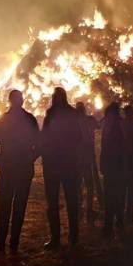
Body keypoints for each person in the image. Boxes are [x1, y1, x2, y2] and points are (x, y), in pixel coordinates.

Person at [0, 90, 39, 253]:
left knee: (4, 205)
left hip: (8, 169)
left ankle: (1, 243)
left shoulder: (3, 120)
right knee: (19, 206)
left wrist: (1, 162)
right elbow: (39, 144)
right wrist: (30, 158)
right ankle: (13, 243)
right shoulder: (29, 119)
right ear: (20, 101)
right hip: (22, 169)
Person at [41, 88, 82, 249]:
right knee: (71, 199)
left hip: (53, 164)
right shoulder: (71, 113)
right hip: (68, 163)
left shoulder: (50, 114)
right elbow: (78, 136)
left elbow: (44, 137)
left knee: (53, 201)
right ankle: (73, 236)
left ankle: (56, 238)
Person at [100, 102, 126, 237]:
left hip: (116, 167)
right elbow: (104, 148)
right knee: (111, 195)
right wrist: (102, 163)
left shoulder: (118, 128)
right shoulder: (109, 127)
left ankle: (115, 223)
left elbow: (119, 148)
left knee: (114, 195)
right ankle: (112, 223)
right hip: (111, 167)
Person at [76, 102, 103, 224]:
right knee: (89, 184)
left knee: (78, 184)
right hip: (87, 155)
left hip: (77, 157)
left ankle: (78, 208)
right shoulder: (89, 119)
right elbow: (99, 126)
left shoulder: (74, 122)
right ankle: (88, 210)